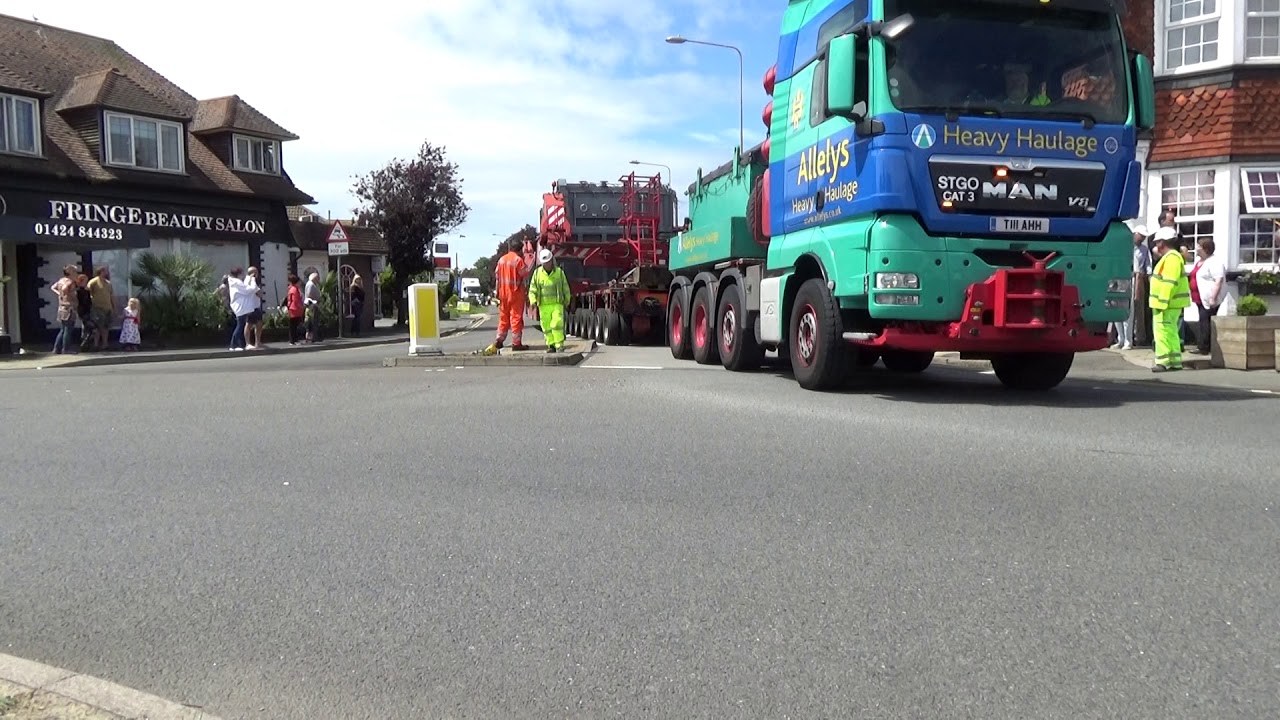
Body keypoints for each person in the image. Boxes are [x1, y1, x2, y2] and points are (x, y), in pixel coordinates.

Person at [1148, 229, 1191, 372]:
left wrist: (1162, 302)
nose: (1155, 245)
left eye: (1157, 242)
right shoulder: (1173, 257)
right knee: (1171, 331)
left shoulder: (1171, 258)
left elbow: (1169, 282)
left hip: (1165, 304)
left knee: (1162, 332)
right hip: (1172, 304)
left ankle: (1163, 361)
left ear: (1162, 243)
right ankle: (1174, 361)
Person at [484, 239, 532, 354]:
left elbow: (497, 277)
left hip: (503, 294)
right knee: (516, 318)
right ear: (520, 250)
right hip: (515, 294)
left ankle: (499, 340)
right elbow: (525, 273)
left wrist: (497, 292)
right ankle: (516, 343)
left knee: (504, 318)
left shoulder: (501, 260)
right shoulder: (518, 260)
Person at [527, 248, 572, 353]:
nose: (546, 265)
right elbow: (532, 289)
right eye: (544, 263)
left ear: (552, 261)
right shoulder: (537, 274)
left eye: (548, 262)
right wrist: (533, 301)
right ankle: (550, 345)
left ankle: (559, 345)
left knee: (556, 324)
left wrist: (567, 300)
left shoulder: (559, 273)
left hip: (557, 304)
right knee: (546, 327)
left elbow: (565, 287)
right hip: (543, 305)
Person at [1190, 238, 1227, 355]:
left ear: (1205, 248)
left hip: (1209, 299)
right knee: (1202, 321)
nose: (1196, 248)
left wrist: (1213, 297)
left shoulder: (1214, 262)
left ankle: (1204, 347)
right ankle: (1202, 345)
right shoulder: (1199, 261)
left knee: (1206, 322)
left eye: (1198, 246)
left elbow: (1218, 280)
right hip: (1199, 298)